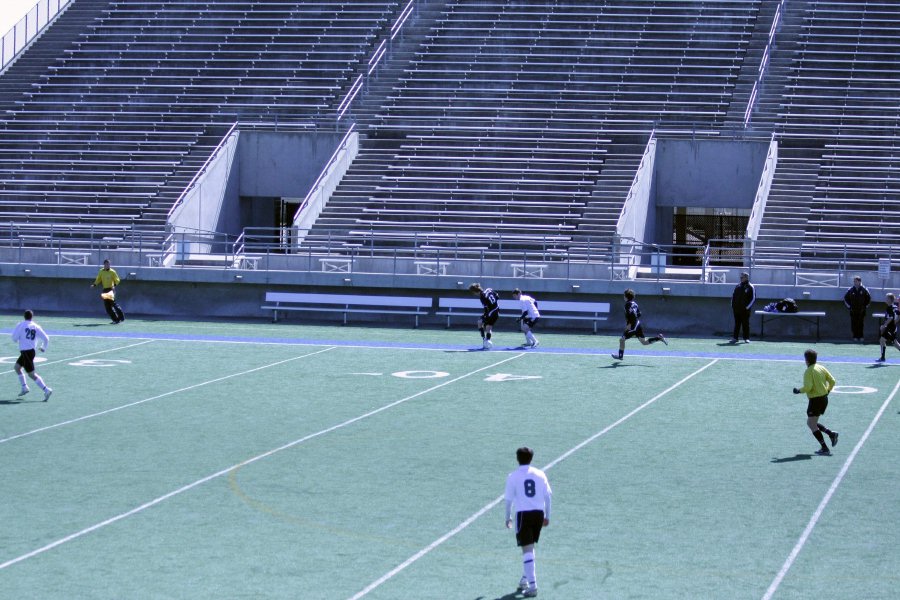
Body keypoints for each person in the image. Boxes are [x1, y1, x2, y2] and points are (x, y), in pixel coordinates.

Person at [504, 446, 552, 598]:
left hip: (523, 514)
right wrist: (547, 516)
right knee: (530, 547)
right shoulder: (540, 474)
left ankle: (533, 587)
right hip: (538, 514)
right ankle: (525, 580)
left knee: (527, 549)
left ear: (517, 458)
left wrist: (508, 517)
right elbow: (548, 496)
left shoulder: (513, 476)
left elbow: (508, 500)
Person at [792, 349, 838, 455]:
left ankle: (825, 448)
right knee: (813, 422)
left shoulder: (808, 371)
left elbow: (808, 387)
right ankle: (831, 434)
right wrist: (828, 390)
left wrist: (798, 391)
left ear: (806, 360)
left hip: (815, 400)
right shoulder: (821, 367)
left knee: (811, 424)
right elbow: (832, 381)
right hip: (824, 399)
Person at [611, 288, 667, 360]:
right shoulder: (635, 304)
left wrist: (630, 324)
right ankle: (659, 338)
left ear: (626, 296)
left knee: (622, 340)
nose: (623, 297)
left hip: (633, 325)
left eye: (624, 295)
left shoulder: (627, 304)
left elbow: (631, 314)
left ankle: (620, 356)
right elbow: (639, 314)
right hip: (637, 324)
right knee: (644, 342)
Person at [11, 310, 52, 401]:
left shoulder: (20, 325)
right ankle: (24, 387)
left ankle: (46, 390)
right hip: (31, 352)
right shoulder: (36, 326)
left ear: (24, 316)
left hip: (25, 352)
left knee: (31, 374)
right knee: (17, 367)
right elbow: (46, 338)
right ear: (31, 317)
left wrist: (20, 340)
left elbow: (14, 338)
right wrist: (43, 348)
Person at [91, 259, 125, 324]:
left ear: (110, 265)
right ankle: (115, 320)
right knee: (107, 307)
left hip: (111, 289)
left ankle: (121, 317)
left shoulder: (112, 272)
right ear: (104, 265)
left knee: (113, 304)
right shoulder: (101, 271)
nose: (107, 265)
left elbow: (117, 280)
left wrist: (114, 285)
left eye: (108, 264)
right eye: (106, 264)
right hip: (105, 290)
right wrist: (94, 285)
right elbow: (98, 279)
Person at [469, 283, 499, 349]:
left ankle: (484, 340)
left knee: (480, 322)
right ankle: (487, 340)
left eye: (473, 293)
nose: (474, 294)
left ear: (475, 291)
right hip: (496, 311)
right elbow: (497, 296)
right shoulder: (488, 289)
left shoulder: (482, 296)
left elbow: (486, 309)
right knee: (488, 327)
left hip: (491, 312)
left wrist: (485, 315)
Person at [843, 275, 871, 342]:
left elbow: (869, 299)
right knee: (854, 323)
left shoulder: (864, 289)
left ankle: (861, 336)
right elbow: (845, 298)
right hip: (853, 310)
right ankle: (855, 336)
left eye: (856, 281)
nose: (854, 282)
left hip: (862, 310)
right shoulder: (851, 289)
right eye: (854, 281)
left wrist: (865, 307)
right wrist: (849, 306)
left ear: (859, 281)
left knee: (861, 323)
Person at [730, 271, 755, 343]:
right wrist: (732, 305)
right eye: (740, 277)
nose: (741, 278)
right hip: (736, 309)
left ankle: (746, 338)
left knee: (745, 324)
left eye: (742, 277)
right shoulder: (738, 286)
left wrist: (747, 307)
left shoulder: (750, 286)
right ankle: (735, 338)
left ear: (746, 278)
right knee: (737, 323)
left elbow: (753, 298)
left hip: (745, 310)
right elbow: (733, 296)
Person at [877, 292, 900, 362]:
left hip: (891, 328)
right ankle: (882, 357)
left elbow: (890, 318)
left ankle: (882, 357)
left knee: (888, 341)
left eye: (886, 298)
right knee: (892, 342)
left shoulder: (890, 308)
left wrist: (884, 325)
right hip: (892, 328)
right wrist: (895, 322)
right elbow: (898, 316)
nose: (885, 299)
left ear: (890, 300)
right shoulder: (895, 307)